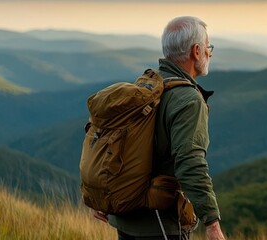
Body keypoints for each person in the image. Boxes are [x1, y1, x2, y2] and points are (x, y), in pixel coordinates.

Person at [92, 16, 225, 240]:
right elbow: (190, 163)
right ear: (196, 51)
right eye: (207, 47)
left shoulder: (145, 85)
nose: (209, 53)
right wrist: (212, 223)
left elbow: (114, 142)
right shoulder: (188, 100)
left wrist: (102, 195)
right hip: (159, 223)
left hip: (126, 217)